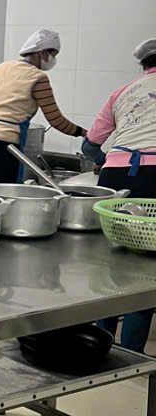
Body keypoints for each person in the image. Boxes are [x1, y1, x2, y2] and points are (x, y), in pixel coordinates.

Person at [82, 37, 156, 352]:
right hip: (153, 178)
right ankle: (131, 355)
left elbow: (90, 145)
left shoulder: (122, 92)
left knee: (112, 259)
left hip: (114, 175)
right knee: (147, 268)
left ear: (143, 65)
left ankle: (102, 344)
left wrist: (105, 162)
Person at [0, 28, 84, 183]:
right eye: (53, 55)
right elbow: (55, 120)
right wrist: (83, 133)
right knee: (3, 192)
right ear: (42, 53)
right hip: (6, 144)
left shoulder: (1, 68)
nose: (53, 60)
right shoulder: (38, 78)